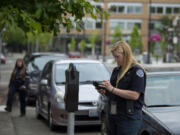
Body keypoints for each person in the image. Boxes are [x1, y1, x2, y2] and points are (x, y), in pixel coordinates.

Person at [98, 41, 146, 135]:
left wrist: (112, 89)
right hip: (114, 114)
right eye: (114, 57)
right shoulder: (116, 70)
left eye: (117, 56)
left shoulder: (136, 71)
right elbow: (114, 92)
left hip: (128, 118)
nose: (116, 60)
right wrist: (105, 90)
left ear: (126, 54)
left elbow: (135, 95)